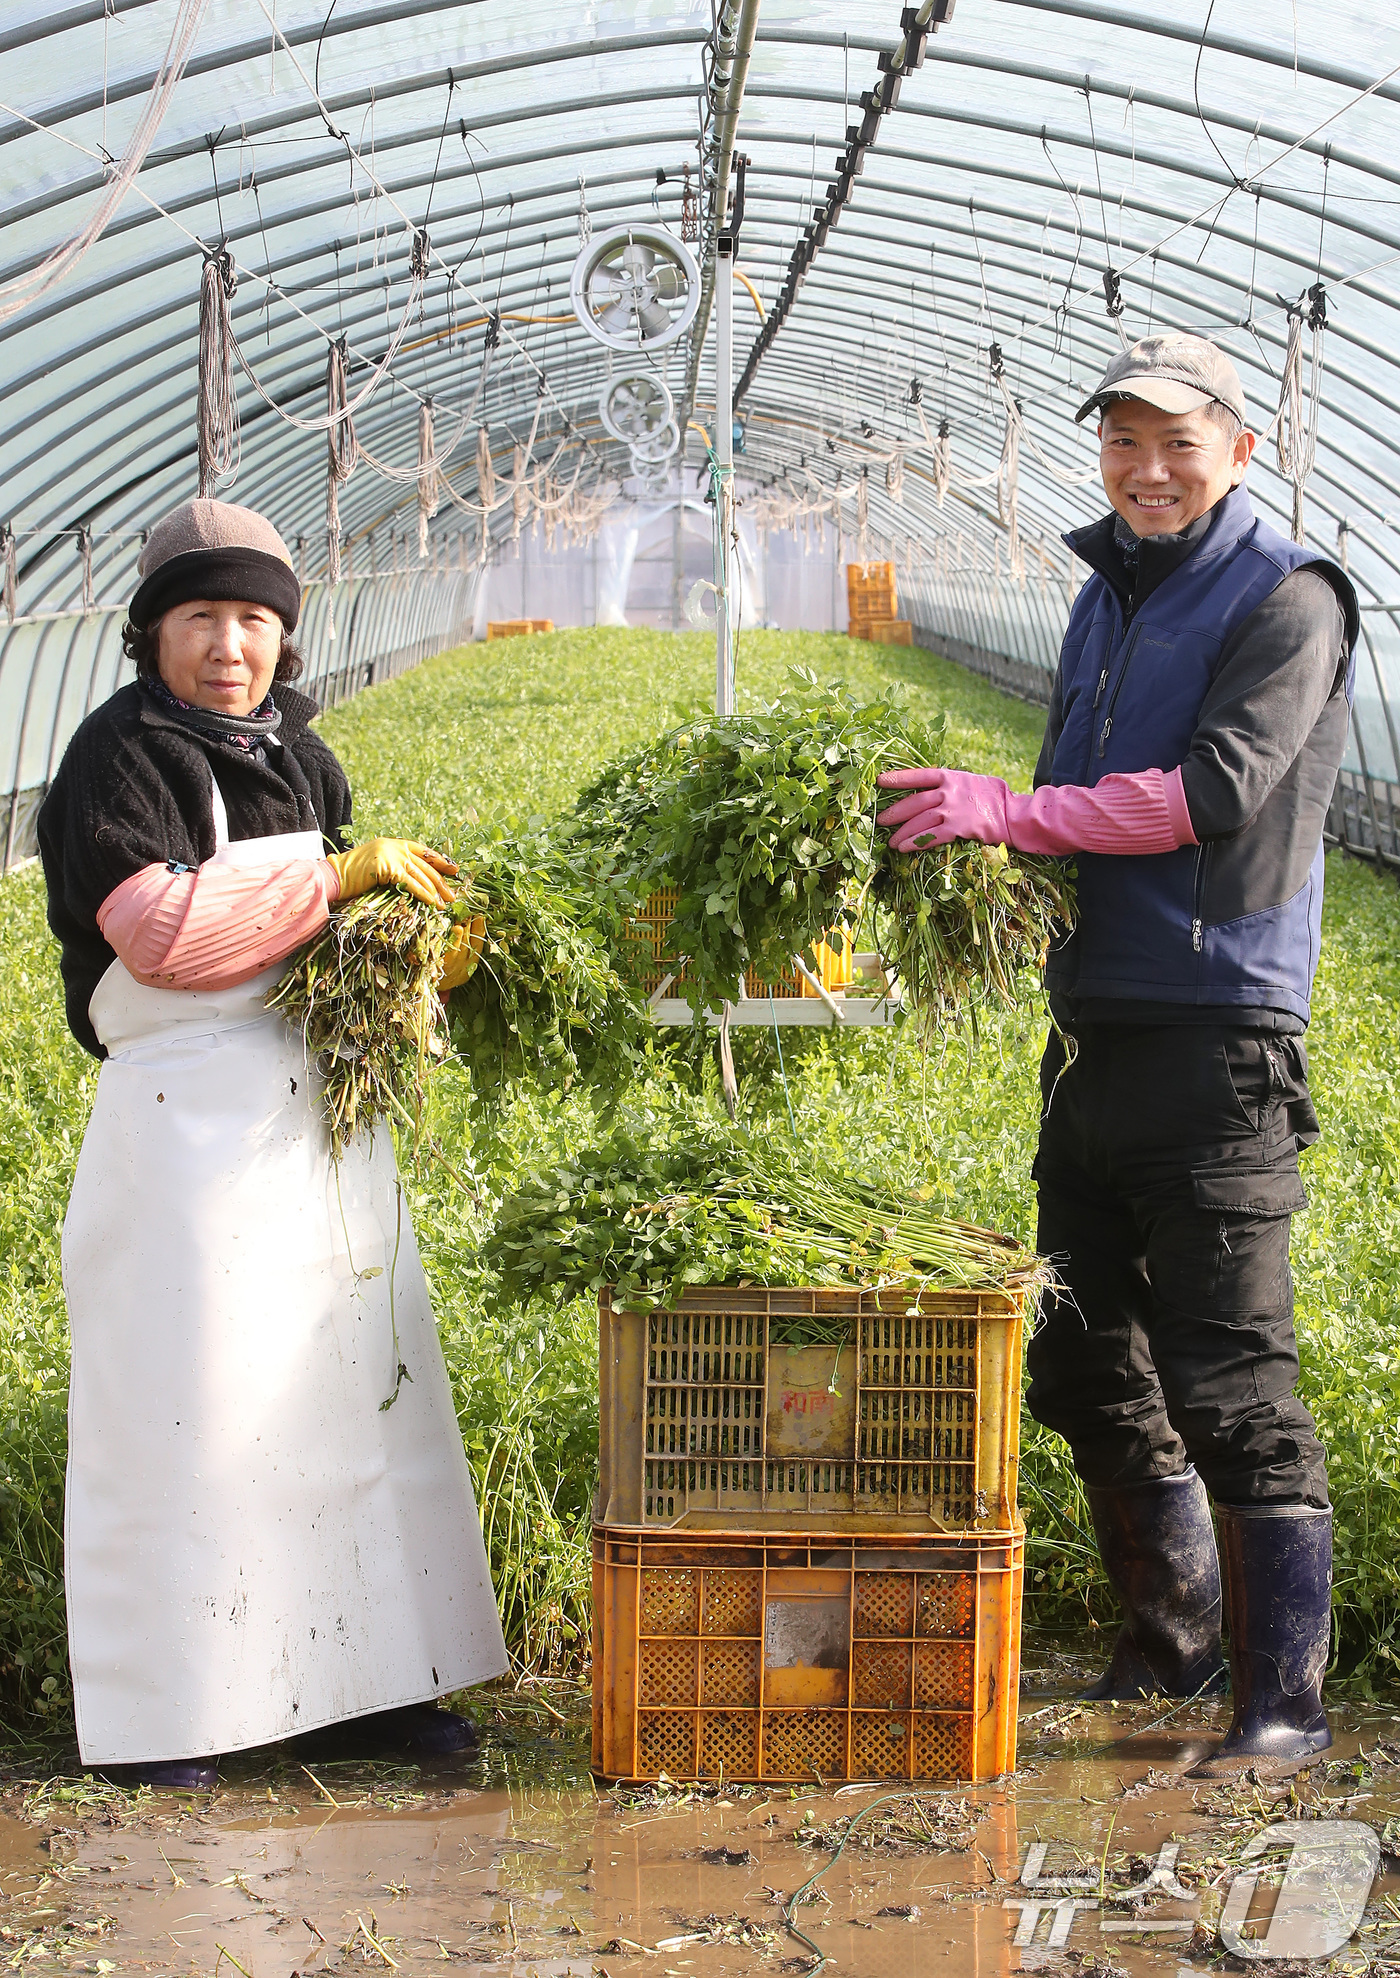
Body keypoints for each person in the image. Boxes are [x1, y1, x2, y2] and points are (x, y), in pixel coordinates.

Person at [878, 335, 1357, 1778]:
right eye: (1124, 445)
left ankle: (1286, 1702)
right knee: (1084, 1357)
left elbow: (1214, 793)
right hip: (1094, 1029)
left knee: (1230, 1375)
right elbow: (1075, 790)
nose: (1148, 470)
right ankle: (1176, 1630)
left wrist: (1012, 817)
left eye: (1178, 445)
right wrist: (974, 859)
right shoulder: (1106, 594)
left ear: (1241, 452)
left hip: (1218, 1036)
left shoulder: (1289, 597)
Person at [39, 497, 504, 1788]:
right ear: (153, 632)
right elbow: (161, 934)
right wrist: (334, 884)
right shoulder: (115, 760)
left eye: (253, 619)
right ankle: (172, 1714)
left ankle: (367, 1684)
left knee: (347, 1398)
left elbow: (331, 928)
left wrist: (422, 957)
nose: (229, 644)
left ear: (285, 638)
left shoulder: (304, 754)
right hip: (184, 1126)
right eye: (202, 617)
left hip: (314, 1116)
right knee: (194, 1412)